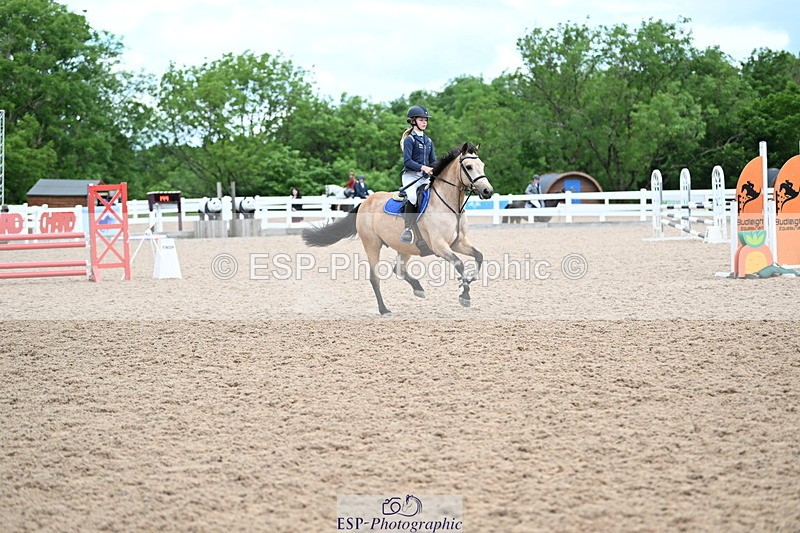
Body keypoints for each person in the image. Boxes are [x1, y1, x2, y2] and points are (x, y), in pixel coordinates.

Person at [399, 105, 436, 243]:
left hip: (425, 178)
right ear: (413, 121)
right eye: (421, 120)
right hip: (410, 176)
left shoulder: (428, 141)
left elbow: (433, 161)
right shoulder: (410, 140)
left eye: (425, 120)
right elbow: (407, 161)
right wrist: (423, 168)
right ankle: (407, 229)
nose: (424, 122)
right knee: (413, 198)